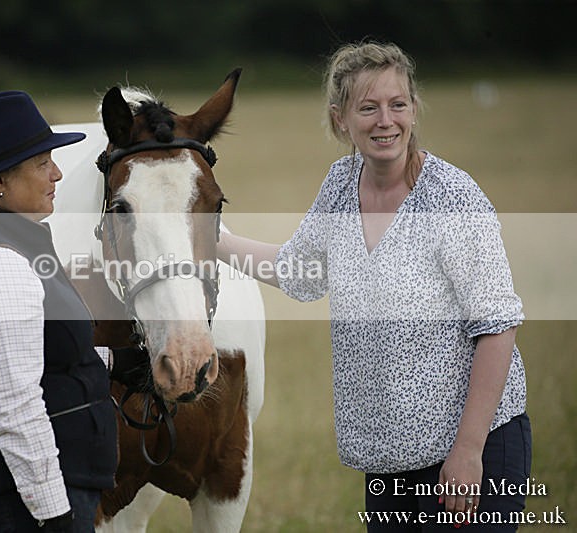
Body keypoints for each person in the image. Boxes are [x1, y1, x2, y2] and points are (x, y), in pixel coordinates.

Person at [218, 41, 531, 531]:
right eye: (368, 108)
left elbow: (497, 327)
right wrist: (211, 239)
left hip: (472, 452)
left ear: (414, 108)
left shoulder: (451, 196)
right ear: (340, 119)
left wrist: (469, 451)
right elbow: (300, 271)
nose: (386, 121)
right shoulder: (341, 184)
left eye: (397, 104)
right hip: (388, 462)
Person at [0, 91, 120, 532]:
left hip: (27, 494)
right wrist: (55, 515)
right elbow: (15, 406)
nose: (57, 173)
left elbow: (33, 360)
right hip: (26, 504)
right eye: (42, 163)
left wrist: (116, 362)